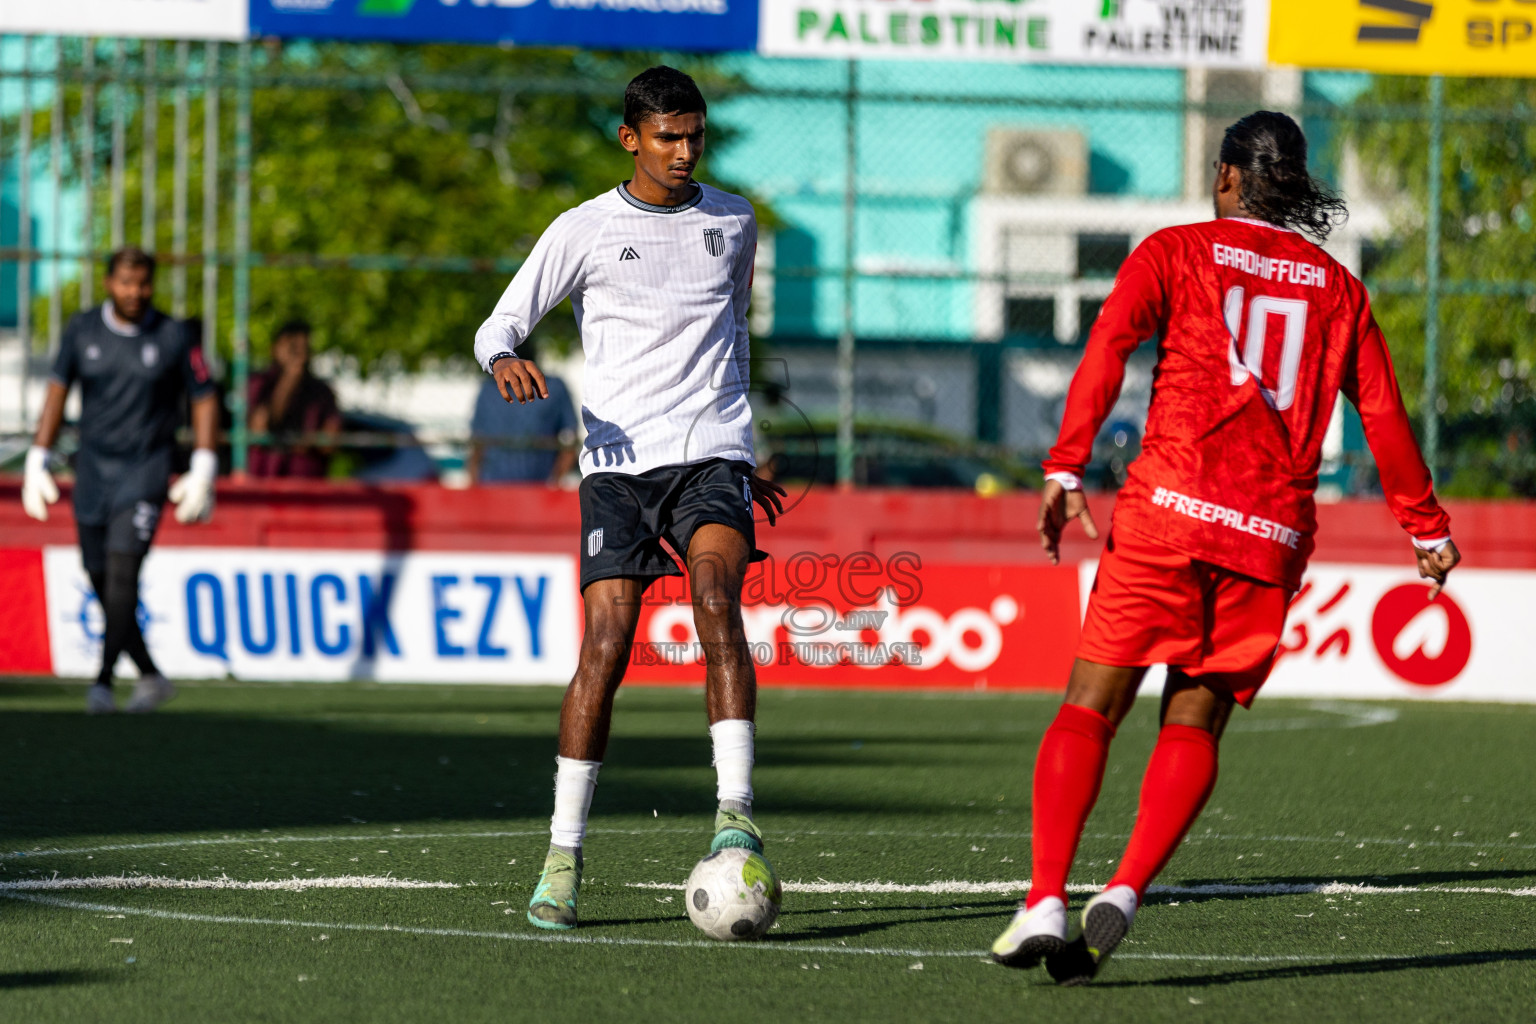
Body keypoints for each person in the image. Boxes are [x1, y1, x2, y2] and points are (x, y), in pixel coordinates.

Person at [988, 111, 1461, 984]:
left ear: (1227, 177)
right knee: (1195, 717)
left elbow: (1108, 349)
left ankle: (1046, 897)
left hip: (1167, 510)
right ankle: (1126, 891)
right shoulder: (1338, 290)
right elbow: (1384, 417)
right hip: (1271, 532)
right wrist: (1426, 525)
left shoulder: (1176, 251)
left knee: (1091, 703)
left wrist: (1065, 467)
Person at [473, 66, 785, 931]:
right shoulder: (585, 229)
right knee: (607, 643)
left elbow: (734, 337)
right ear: (630, 139)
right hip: (616, 469)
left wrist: (745, 448)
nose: (685, 153)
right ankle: (563, 854)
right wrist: (505, 360)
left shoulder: (734, 221)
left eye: (696, 137)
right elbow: (499, 324)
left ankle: (735, 813)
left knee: (717, 600)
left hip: (710, 455)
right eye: (667, 138)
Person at [22, 247, 221, 714]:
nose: (134, 292)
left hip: (146, 470)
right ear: (110, 283)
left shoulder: (173, 336)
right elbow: (57, 390)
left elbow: (205, 397)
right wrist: (38, 457)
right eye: (126, 282)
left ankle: (103, 682)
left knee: (123, 573)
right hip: (92, 470)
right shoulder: (82, 329)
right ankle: (150, 676)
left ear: (153, 285)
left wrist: (205, 466)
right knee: (98, 575)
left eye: (143, 283)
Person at [467, 338, 579, 485]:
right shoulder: (488, 390)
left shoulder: (554, 388)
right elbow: (477, 443)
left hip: (537, 487)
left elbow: (569, 441)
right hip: (494, 487)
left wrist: (554, 482)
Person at [247, 319, 341, 479]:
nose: (297, 352)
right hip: (264, 482)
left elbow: (331, 442)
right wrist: (289, 379)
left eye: (302, 346)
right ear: (275, 348)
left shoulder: (322, 392)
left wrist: (303, 442)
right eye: (291, 345)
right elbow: (258, 428)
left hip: (307, 487)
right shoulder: (259, 384)